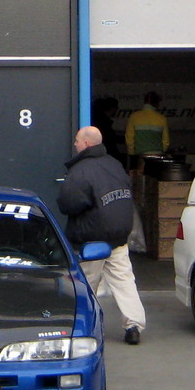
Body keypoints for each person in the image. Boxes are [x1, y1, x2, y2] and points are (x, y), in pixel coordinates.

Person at [57, 124, 146, 345]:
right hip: (119, 236)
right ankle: (134, 325)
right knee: (124, 281)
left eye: (77, 140)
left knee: (87, 283)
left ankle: (84, 327)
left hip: (92, 239)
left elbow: (68, 204)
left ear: (86, 143)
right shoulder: (114, 164)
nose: (75, 144)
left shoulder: (81, 170)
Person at [124, 92, 169, 156]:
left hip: (140, 154)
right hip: (157, 154)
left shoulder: (134, 116)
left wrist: (131, 153)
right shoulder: (162, 118)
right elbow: (166, 141)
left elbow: (129, 138)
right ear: (157, 103)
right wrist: (162, 151)